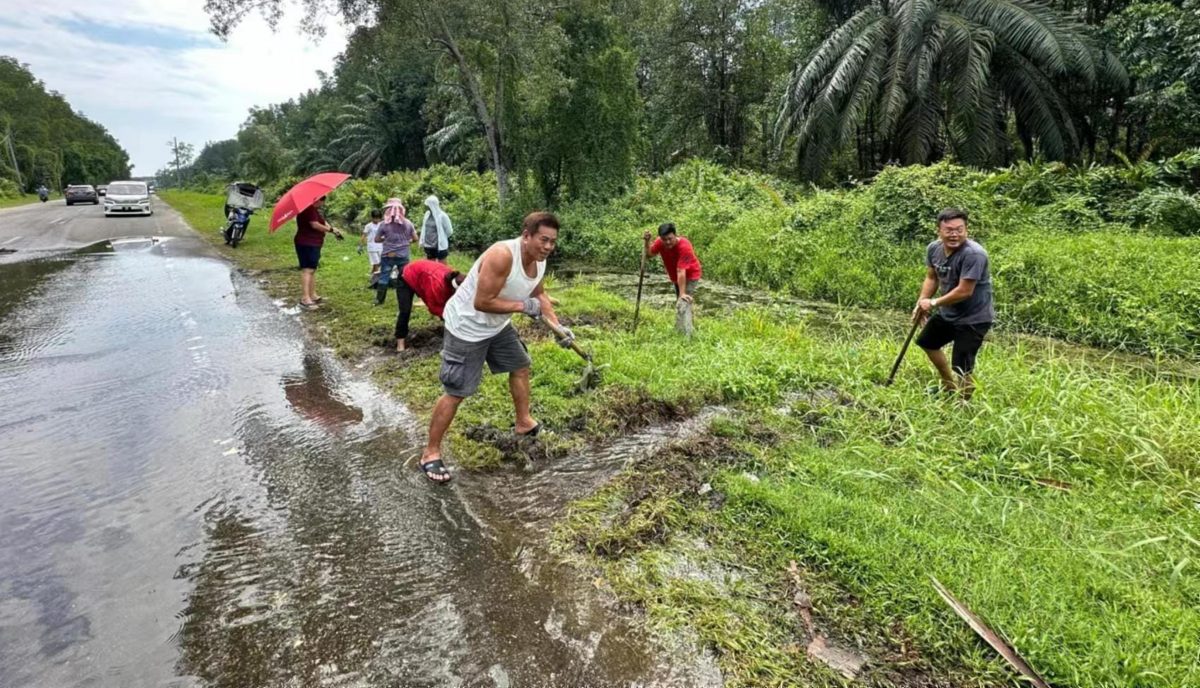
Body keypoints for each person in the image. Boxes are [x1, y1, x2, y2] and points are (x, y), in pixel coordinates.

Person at [419, 211, 574, 484]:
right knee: (457, 391)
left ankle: (524, 421)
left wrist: (557, 326)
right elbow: (482, 301)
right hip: (467, 327)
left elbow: (538, 294)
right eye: (543, 240)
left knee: (520, 366)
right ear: (526, 236)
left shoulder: (539, 261)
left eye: (552, 241)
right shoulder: (502, 255)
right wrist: (521, 306)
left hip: (497, 326)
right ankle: (430, 453)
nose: (548, 247)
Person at [911, 208, 995, 400]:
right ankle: (948, 386)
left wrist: (932, 302)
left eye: (959, 229)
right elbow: (932, 277)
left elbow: (965, 291)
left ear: (967, 230)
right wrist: (921, 303)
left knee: (962, 366)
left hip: (974, 317)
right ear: (938, 231)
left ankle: (964, 403)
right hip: (949, 312)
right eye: (949, 230)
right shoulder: (934, 248)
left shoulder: (974, 254)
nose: (954, 234)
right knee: (927, 342)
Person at [394, 259, 465, 353]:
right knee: (405, 310)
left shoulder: (455, 279)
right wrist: (449, 318)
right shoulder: (436, 284)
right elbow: (433, 307)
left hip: (422, 276)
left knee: (448, 311)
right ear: (454, 289)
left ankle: (454, 334)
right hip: (407, 276)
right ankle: (400, 344)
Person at [294, 196, 343, 309]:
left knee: (312, 269)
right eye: (322, 201)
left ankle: (313, 295)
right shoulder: (309, 209)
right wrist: (330, 230)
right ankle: (305, 298)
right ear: (317, 200)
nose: (323, 204)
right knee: (307, 269)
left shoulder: (313, 210)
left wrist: (333, 230)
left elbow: (323, 222)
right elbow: (314, 225)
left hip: (313, 243)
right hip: (307, 242)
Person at [644, 222, 702, 303]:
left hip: (690, 274)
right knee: (681, 301)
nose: (667, 242)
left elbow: (681, 270)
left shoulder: (685, 247)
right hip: (676, 276)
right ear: (660, 238)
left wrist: (682, 294)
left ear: (675, 235)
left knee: (683, 302)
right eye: (664, 239)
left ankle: (684, 310)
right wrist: (647, 242)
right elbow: (649, 254)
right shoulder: (659, 242)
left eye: (670, 239)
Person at [373, 198, 416, 306]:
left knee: (384, 276)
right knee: (404, 277)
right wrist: (406, 241)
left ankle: (379, 300)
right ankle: (405, 299)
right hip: (403, 255)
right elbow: (415, 238)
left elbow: (376, 239)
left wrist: (386, 239)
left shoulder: (383, 224)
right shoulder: (408, 223)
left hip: (388, 255)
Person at [419, 195, 453, 263]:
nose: (427, 207)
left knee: (442, 266)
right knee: (431, 266)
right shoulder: (427, 214)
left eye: (428, 205)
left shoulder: (442, 216)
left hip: (440, 246)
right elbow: (424, 228)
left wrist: (442, 238)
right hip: (429, 246)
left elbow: (449, 231)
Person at [359, 208, 383, 285]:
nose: (377, 220)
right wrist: (360, 245)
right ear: (372, 217)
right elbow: (364, 235)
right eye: (375, 218)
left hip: (380, 246)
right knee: (376, 262)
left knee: (379, 263)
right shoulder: (368, 226)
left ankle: (372, 274)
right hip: (372, 246)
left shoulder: (382, 224)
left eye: (378, 218)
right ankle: (375, 281)